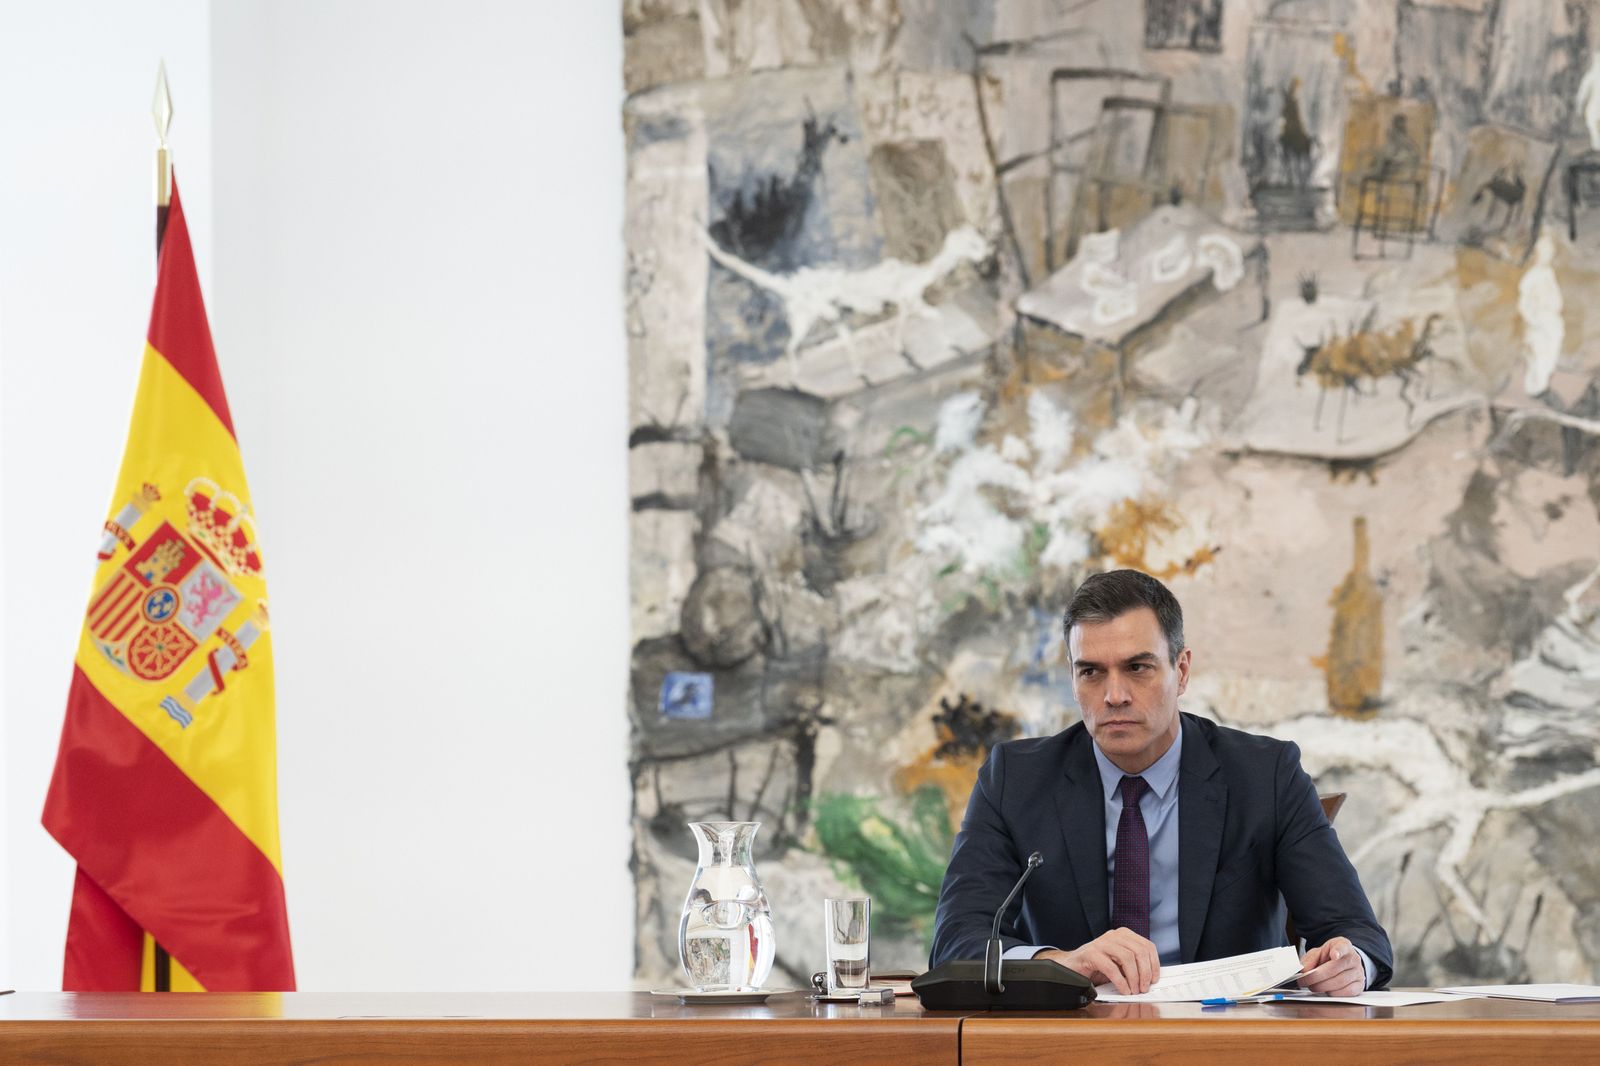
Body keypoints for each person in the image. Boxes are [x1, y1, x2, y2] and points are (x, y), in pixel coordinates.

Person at [928, 570, 1393, 996]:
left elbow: (1356, 932)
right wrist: (1061, 963)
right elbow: (957, 940)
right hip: (1073, 1041)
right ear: (1072, 678)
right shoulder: (1015, 778)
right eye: (1090, 671)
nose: (1114, 695)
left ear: (1182, 670)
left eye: (1138, 667)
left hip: (1224, 1040)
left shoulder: (1265, 774)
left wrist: (1351, 962)